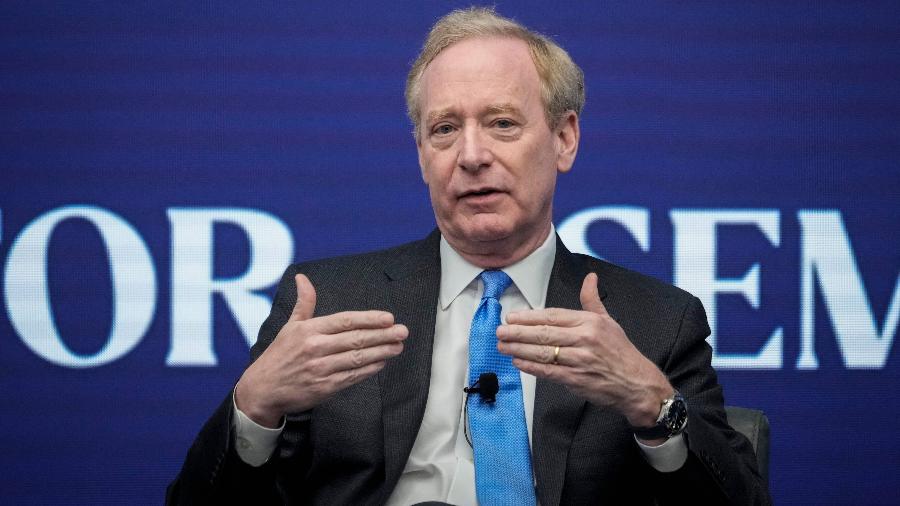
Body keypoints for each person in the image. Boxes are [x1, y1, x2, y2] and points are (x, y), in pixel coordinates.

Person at [168, 7, 771, 505]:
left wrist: (650, 401)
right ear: (421, 154)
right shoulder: (328, 304)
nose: (472, 155)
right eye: (444, 130)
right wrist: (254, 409)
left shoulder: (656, 322)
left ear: (565, 138)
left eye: (502, 123)